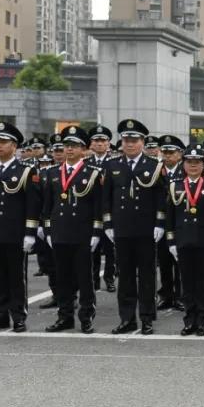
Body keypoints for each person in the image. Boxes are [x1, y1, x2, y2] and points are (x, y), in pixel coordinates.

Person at [102, 120, 167, 335]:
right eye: (126, 140)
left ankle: (147, 317)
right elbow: (107, 198)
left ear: (143, 142)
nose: (129, 144)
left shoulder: (154, 166)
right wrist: (109, 223)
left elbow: (161, 197)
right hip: (122, 228)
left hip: (146, 228)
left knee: (147, 275)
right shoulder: (112, 165)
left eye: (134, 140)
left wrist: (159, 222)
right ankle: (127, 318)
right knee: (126, 276)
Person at [0, 122, 41, 333]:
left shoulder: (26, 170)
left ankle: (18, 316)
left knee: (16, 278)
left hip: (15, 233)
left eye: (3, 142)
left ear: (15, 146)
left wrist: (30, 233)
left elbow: (32, 204)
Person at [43, 125, 105, 334]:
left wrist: (96, 232)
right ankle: (65, 316)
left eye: (74, 146)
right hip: (60, 231)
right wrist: (48, 230)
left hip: (82, 232)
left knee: (84, 278)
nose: (69, 149)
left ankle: (86, 316)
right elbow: (48, 205)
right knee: (62, 278)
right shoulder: (52, 172)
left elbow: (98, 206)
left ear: (83, 149)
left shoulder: (93, 173)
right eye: (66, 145)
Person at [167, 145, 204, 336]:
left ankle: (202, 320)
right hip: (182, 240)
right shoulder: (175, 185)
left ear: (203, 164)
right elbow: (170, 217)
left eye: (197, 162)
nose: (193, 166)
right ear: (183, 164)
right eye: (189, 162)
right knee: (186, 283)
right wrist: (171, 241)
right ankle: (189, 320)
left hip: (203, 240)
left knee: (201, 283)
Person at [86, 124, 117, 293]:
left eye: (102, 141)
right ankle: (94, 279)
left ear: (108, 144)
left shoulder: (113, 163)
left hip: (108, 210)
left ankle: (109, 278)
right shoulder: (85, 163)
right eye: (96, 141)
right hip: (90, 211)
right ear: (91, 144)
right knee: (92, 248)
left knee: (110, 247)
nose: (99, 144)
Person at [156, 135, 185, 311]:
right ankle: (166, 294)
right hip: (161, 222)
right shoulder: (156, 172)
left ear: (179, 154)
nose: (167, 156)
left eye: (170, 152)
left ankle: (181, 295)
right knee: (164, 260)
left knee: (180, 262)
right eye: (164, 152)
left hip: (181, 222)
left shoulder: (187, 171)